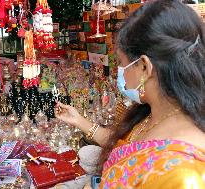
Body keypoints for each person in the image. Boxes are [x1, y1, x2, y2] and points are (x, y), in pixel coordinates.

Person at [55, 0, 205, 188]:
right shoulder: (155, 113)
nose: (119, 70)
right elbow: (123, 147)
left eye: (121, 62)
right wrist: (78, 120)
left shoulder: (184, 174)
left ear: (144, 67)